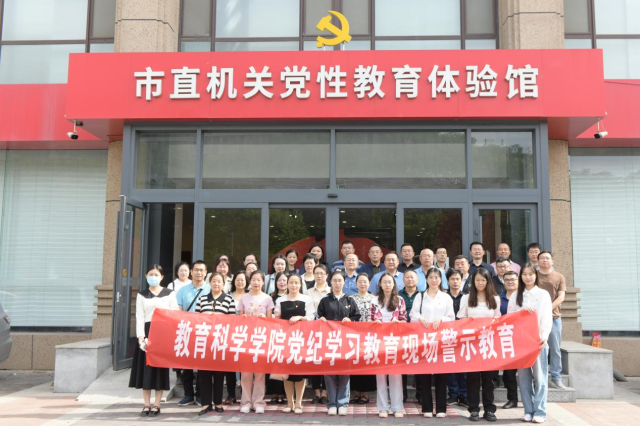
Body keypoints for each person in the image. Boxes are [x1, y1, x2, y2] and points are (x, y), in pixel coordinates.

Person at [129, 264, 178, 417]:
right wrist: (141, 338)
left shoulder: (169, 294)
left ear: (162, 277)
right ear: (146, 276)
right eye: (151, 274)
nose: (153, 277)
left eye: (156, 275)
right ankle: (146, 404)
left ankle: (157, 404)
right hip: (147, 333)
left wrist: (170, 336)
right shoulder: (142, 295)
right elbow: (139, 317)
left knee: (159, 370)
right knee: (146, 370)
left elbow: (174, 315)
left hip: (163, 333)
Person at [508, 263, 553, 423]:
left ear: (536, 275)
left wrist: (544, 336)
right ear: (521, 276)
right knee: (524, 378)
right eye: (525, 274)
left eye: (530, 274)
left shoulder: (543, 294)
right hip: (521, 343)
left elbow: (546, 317)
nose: (528, 277)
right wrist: (521, 312)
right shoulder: (515, 295)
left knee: (540, 378)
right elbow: (509, 317)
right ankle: (528, 410)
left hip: (538, 341)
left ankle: (540, 411)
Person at [457, 268, 501, 422]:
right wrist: (469, 321)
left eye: (483, 280)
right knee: (473, 379)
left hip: (488, 343)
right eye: (477, 280)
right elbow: (460, 319)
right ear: (473, 282)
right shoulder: (466, 298)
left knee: (488, 379)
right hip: (472, 344)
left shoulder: (495, 299)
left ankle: (489, 409)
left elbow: (498, 319)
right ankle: (474, 409)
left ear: (488, 281)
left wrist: (493, 322)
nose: (480, 283)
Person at [410, 267, 454, 418]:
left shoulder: (446, 297)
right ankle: (427, 408)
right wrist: (420, 318)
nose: (434, 280)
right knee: (425, 375)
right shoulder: (420, 296)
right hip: (424, 341)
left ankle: (441, 408)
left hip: (441, 340)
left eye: (437, 277)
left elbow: (451, 317)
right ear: (426, 279)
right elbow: (413, 315)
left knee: (441, 375)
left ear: (441, 279)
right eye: (431, 277)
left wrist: (441, 319)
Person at [317, 270, 361, 416]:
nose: (337, 283)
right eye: (334, 280)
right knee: (329, 373)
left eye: (340, 280)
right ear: (330, 282)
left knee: (344, 374)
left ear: (344, 282)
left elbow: (357, 317)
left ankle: (342, 403)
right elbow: (319, 317)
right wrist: (321, 320)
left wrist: (350, 320)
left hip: (345, 342)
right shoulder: (325, 300)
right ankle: (332, 403)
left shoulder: (349, 300)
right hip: (329, 342)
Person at [195, 272, 236, 415]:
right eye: (214, 281)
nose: (216, 284)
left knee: (219, 374)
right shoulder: (202, 299)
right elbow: (196, 319)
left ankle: (218, 402)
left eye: (219, 281)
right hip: (205, 342)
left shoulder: (229, 299)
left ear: (223, 284)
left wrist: (218, 318)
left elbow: (233, 320)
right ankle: (205, 404)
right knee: (204, 374)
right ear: (209, 283)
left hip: (221, 342)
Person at [274, 274, 315, 414]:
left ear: (300, 284)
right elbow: (277, 319)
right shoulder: (280, 300)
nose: (293, 285)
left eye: (296, 283)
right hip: (285, 339)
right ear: (287, 284)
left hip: (301, 339)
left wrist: (300, 317)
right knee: (287, 372)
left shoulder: (306, 299)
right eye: (291, 282)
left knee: (299, 373)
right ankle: (289, 403)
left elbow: (311, 317)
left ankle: (298, 404)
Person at [237, 270, 275, 414]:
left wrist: (264, 319)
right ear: (249, 281)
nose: (256, 282)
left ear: (263, 282)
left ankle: (258, 402)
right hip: (246, 339)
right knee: (246, 373)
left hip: (261, 338)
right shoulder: (244, 298)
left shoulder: (267, 299)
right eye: (253, 280)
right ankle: (246, 402)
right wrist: (244, 319)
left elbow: (271, 322)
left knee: (259, 373)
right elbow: (239, 319)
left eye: (259, 280)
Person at [371, 272, 408, 418]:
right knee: (380, 375)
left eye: (389, 282)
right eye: (384, 282)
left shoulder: (400, 300)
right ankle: (382, 408)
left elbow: (404, 319)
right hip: (379, 341)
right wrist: (375, 323)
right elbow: (369, 320)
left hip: (395, 341)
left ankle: (397, 407)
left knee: (396, 375)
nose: (387, 284)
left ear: (394, 284)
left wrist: (398, 322)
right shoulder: (374, 300)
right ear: (380, 284)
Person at [176, 260, 212, 406]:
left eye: (201, 270)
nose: (199, 272)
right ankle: (188, 395)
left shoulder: (210, 288)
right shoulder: (182, 291)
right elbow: (178, 312)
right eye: (196, 270)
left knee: (203, 366)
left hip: (205, 332)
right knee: (187, 366)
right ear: (191, 272)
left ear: (206, 272)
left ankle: (201, 395)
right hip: (187, 331)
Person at [537, 251, 566, 390]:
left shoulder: (559, 276)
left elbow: (561, 297)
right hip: (535, 319)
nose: (544, 260)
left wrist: (547, 309)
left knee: (555, 348)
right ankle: (538, 377)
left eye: (547, 258)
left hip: (554, 317)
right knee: (537, 348)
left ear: (552, 261)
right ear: (537, 261)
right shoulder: (533, 275)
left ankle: (556, 377)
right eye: (542, 258)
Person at [349, 273, 376, 405]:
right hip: (354, 336)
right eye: (360, 281)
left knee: (367, 364)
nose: (362, 284)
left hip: (370, 336)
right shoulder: (350, 299)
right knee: (355, 364)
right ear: (356, 283)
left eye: (365, 281)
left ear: (369, 283)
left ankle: (365, 394)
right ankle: (356, 393)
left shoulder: (374, 299)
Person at [306, 264, 330, 404]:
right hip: (312, 331)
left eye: (322, 273)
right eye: (316, 273)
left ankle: (325, 393)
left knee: (326, 362)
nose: (319, 276)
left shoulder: (331, 291)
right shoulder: (308, 292)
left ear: (327, 275)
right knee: (315, 362)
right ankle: (316, 392)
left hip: (328, 332)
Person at [445, 269, 468, 408]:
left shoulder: (467, 297)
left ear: (461, 280)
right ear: (447, 281)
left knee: (464, 365)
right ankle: (453, 394)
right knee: (450, 365)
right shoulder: (443, 297)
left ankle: (464, 396)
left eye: (457, 279)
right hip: (447, 336)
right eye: (452, 279)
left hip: (464, 336)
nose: (455, 282)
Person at [226, 271, 249, 405]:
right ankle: (231, 395)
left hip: (246, 334)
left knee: (244, 366)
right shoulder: (228, 296)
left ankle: (244, 394)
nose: (240, 282)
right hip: (230, 333)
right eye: (238, 280)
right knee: (230, 365)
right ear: (234, 281)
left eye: (242, 280)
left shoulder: (249, 296)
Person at [266, 272, 288, 404]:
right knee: (273, 363)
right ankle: (274, 392)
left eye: (284, 280)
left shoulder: (291, 296)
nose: (282, 283)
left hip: (287, 334)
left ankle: (284, 393)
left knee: (285, 363)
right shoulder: (271, 297)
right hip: (273, 334)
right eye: (279, 280)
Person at [399, 270, 421, 403]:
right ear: (403, 280)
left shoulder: (423, 295)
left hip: (419, 333)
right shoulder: (397, 295)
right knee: (402, 364)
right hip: (401, 333)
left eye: (412, 277)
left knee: (419, 364)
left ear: (417, 280)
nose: (410, 279)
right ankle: (402, 395)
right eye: (407, 277)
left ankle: (420, 394)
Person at [499, 270, 520, 409]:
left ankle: (531, 399)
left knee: (526, 371)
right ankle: (512, 399)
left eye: (513, 279)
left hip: (521, 338)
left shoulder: (523, 297)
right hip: (504, 338)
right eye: (507, 280)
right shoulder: (498, 298)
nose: (510, 282)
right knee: (508, 373)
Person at [168, 261, 191, 385]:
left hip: (190, 320)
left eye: (185, 270)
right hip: (176, 320)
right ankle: (178, 374)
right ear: (177, 272)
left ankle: (188, 373)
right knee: (178, 346)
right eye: (181, 270)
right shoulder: (171, 285)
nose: (183, 272)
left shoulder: (192, 284)